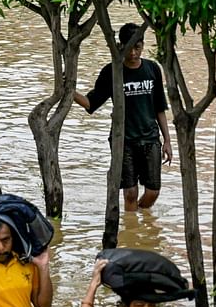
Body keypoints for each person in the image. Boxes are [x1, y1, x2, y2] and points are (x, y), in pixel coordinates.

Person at [73, 22, 173, 211]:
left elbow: (160, 107)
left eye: (138, 47)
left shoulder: (153, 69)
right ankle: (131, 230)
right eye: (129, 48)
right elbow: (90, 103)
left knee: (153, 192)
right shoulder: (112, 71)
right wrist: (68, 91)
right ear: (120, 46)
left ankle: (139, 224)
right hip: (124, 141)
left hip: (150, 138)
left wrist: (167, 140)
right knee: (130, 194)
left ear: (143, 45)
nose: (133, 53)